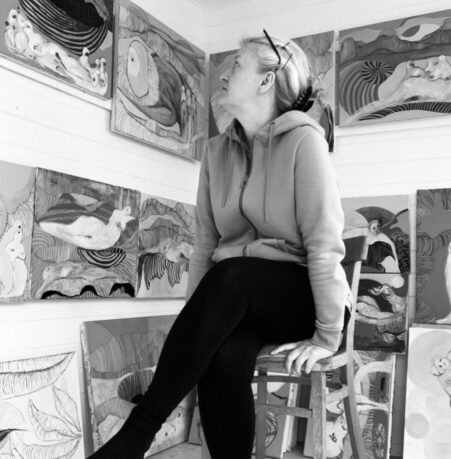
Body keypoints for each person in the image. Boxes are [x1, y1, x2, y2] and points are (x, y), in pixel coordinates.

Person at [87, 30, 350, 459]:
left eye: (237, 65)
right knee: (221, 353)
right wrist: (199, 323)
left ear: (266, 80)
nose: (224, 74)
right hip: (238, 297)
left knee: (233, 274)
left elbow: (324, 246)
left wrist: (327, 336)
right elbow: (206, 243)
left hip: (304, 298)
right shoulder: (215, 153)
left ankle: (136, 434)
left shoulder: (306, 143)